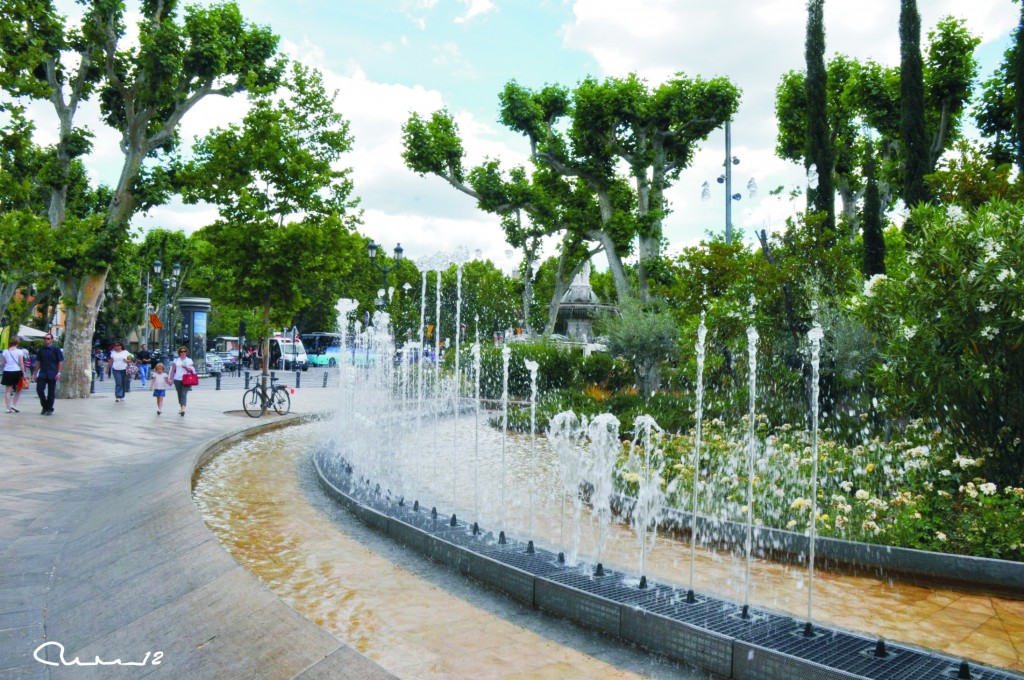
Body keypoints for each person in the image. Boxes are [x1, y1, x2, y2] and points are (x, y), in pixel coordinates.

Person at [33, 333, 63, 415]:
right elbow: (38, 362)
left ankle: (49, 408)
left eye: (48, 338)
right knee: (39, 389)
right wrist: (35, 374)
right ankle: (45, 406)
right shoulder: (41, 350)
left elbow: (60, 361)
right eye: (45, 338)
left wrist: (59, 373)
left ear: (52, 340)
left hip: (52, 373)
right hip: (43, 373)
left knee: (51, 392)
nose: (46, 340)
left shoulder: (56, 349)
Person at [167, 345, 196, 417]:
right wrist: (170, 379)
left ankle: (183, 409)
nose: (183, 353)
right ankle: (182, 406)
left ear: (186, 352)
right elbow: (173, 370)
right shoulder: (176, 360)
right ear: (179, 353)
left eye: (184, 351)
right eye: (181, 351)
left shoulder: (189, 360)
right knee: (179, 394)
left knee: (184, 394)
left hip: (186, 379)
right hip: (177, 379)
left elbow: (191, 370)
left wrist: (186, 367)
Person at [2, 337, 27, 413]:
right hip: (17, 371)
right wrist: (24, 373)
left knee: (8, 391)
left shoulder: (5, 352)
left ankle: (7, 408)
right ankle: (14, 404)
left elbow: (3, 363)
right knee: (19, 389)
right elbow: (21, 364)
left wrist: (4, 369)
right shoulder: (20, 352)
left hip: (7, 371)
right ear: (17, 343)